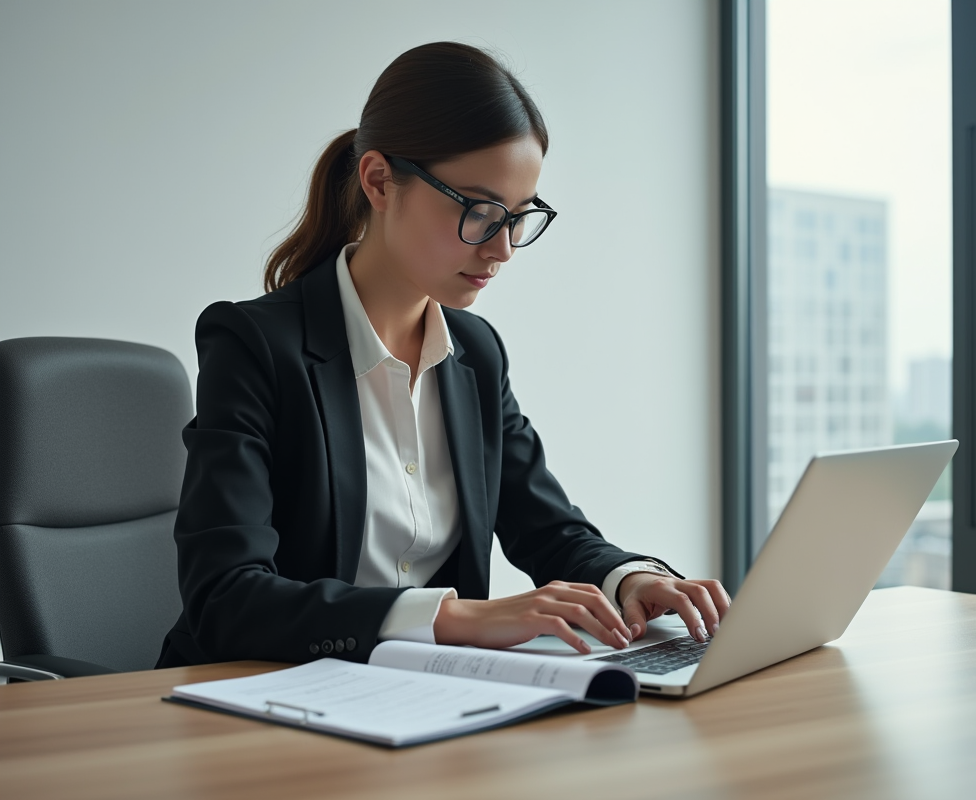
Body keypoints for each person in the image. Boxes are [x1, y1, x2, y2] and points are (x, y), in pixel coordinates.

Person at [157, 42, 729, 669]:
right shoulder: (254, 346)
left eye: (518, 217)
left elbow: (547, 526)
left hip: (429, 702)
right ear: (379, 181)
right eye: (481, 212)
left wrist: (631, 580)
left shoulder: (475, 355)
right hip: (269, 700)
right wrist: (454, 617)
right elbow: (225, 599)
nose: (503, 248)